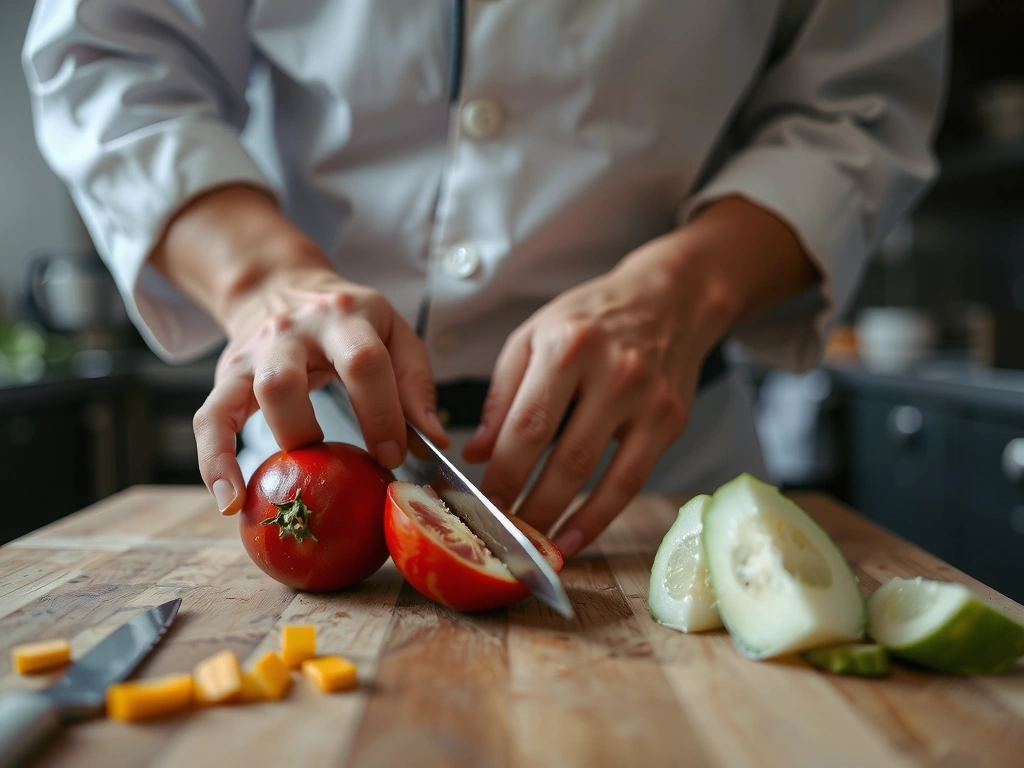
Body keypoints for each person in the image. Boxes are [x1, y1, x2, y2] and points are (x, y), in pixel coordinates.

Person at [22, 1, 947, 560]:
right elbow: (110, 53)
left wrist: (688, 286)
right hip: (315, 432)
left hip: (651, 458)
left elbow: (860, 105)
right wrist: (263, 276)